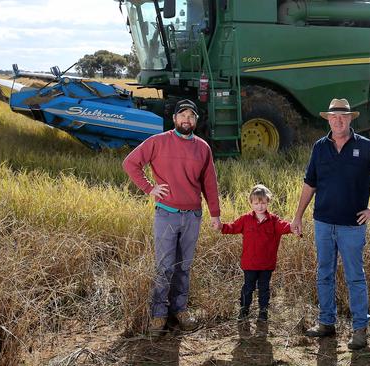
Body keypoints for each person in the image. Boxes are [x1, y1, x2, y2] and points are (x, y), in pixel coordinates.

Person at [291, 98, 370, 350]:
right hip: (323, 224)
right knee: (324, 274)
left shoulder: (366, 147)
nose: (338, 121)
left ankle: (360, 329)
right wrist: (297, 215)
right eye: (334, 116)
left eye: (343, 117)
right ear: (328, 119)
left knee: (354, 277)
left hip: (352, 226)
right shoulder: (320, 147)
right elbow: (310, 183)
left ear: (350, 119)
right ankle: (326, 323)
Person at [122, 99, 222, 334]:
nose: (187, 119)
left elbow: (210, 183)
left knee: (184, 267)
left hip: (192, 216)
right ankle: (158, 314)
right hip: (166, 214)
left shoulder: (202, 148)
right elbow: (130, 163)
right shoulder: (158, 142)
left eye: (191, 116)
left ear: (196, 121)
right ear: (175, 119)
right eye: (182, 115)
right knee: (164, 267)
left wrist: (215, 214)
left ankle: (180, 310)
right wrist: (150, 188)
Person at [218, 184, 293, 322]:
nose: (260, 206)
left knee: (264, 289)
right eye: (256, 203)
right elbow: (233, 227)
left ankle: (263, 312)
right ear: (251, 203)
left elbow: (284, 227)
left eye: (263, 203)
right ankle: (244, 310)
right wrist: (221, 226)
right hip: (250, 263)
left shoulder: (273, 220)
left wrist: (294, 227)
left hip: (266, 264)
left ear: (268, 202)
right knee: (248, 287)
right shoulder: (246, 219)